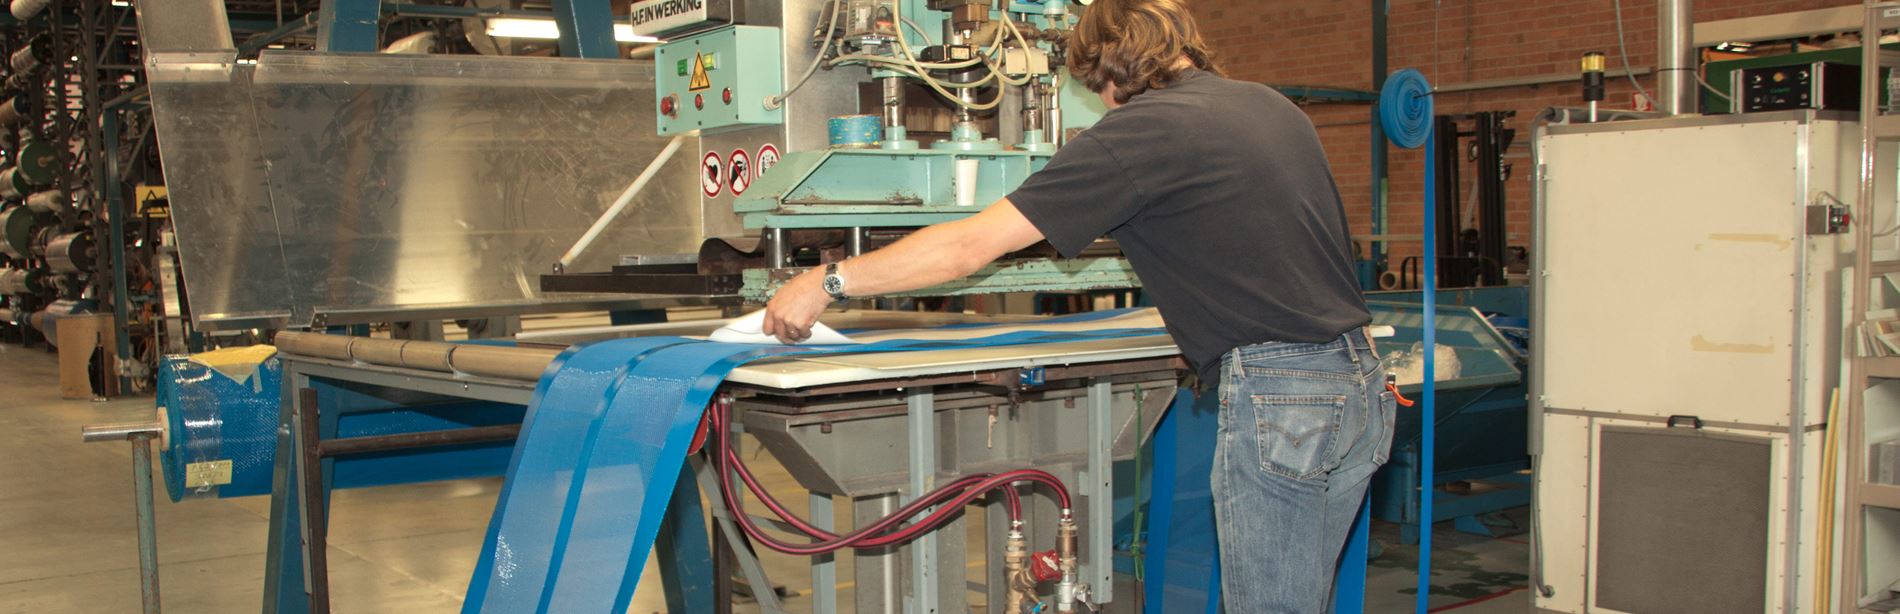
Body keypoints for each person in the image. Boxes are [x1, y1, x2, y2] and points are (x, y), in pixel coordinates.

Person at [762, 0, 1393, 610]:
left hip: (1284, 399)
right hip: (1361, 383)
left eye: (1094, 86)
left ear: (1109, 66)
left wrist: (825, 281)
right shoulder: (1270, 105)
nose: (1100, 100)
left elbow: (966, 248)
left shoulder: (1142, 130)